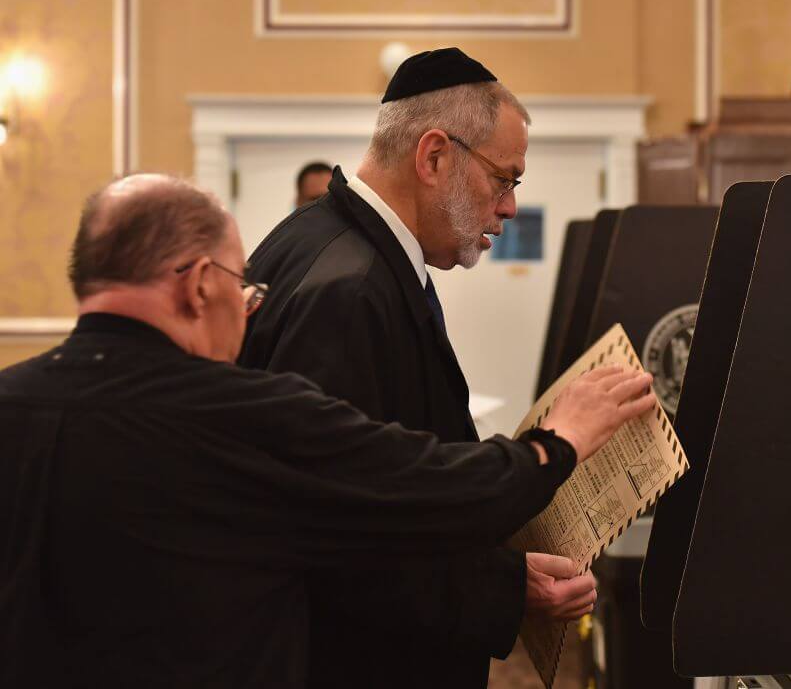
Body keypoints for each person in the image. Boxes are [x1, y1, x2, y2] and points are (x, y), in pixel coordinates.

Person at [0, 174, 655, 688]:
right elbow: (433, 489)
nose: (250, 309)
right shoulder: (246, 415)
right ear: (201, 284)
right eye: (246, 288)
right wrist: (558, 438)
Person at [239, 48, 588, 687]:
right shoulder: (348, 288)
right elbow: (340, 541)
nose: (509, 207)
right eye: (504, 178)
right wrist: (509, 590)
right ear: (433, 156)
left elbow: (382, 489)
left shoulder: (331, 244)